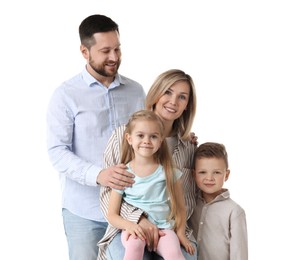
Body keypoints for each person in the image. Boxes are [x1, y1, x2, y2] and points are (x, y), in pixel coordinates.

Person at [46, 14, 146, 260]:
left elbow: (148, 140)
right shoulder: (65, 95)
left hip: (129, 210)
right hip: (84, 211)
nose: (114, 57)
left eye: (117, 49)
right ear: (84, 51)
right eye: (105, 51)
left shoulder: (135, 91)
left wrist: (182, 140)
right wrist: (99, 174)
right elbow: (57, 151)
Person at [97, 69, 198, 260]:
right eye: (167, 92)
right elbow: (106, 195)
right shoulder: (122, 136)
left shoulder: (189, 147)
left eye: (182, 97)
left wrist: (177, 230)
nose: (173, 102)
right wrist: (139, 220)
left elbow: (188, 200)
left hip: (170, 229)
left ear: (187, 106)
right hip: (128, 228)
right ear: (156, 93)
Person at [107, 110, 195, 260]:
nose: (147, 141)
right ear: (129, 138)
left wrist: (181, 233)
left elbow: (180, 207)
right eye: (140, 135)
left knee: (174, 253)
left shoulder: (169, 172)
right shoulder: (123, 173)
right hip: (136, 230)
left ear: (161, 141)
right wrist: (130, 226)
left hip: (164, 229)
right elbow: (112, 215)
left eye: (153, 136)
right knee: (134, 247)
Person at [189, 142, 248, 260]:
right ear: (194, 174)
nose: (209, 178)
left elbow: (239, 253)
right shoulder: (189, 203)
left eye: (216, 172)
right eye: (202, 172)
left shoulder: (234, 211)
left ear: (226, 175)